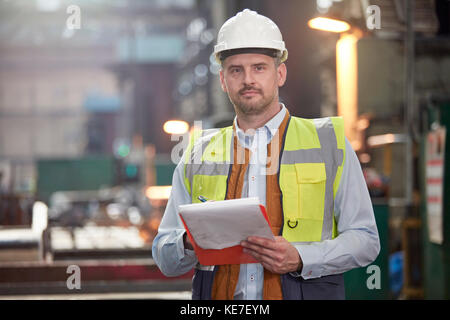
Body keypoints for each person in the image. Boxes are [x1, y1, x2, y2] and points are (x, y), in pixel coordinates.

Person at [152, 9, 380, 300]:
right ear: (223, 80)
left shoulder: (329, 144)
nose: (248, 79)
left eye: (259, 67)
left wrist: (301, 257)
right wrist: (188, 241)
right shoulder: (197, 154)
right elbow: (164, 256)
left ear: (280, 73)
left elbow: (366, 240)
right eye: (236, 70)